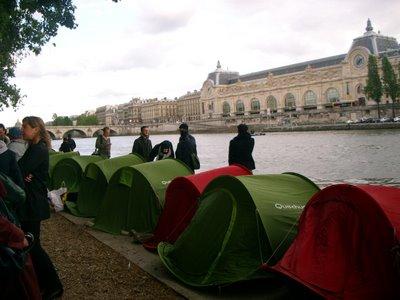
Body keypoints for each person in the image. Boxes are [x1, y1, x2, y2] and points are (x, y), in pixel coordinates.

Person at [18, 116, 63, 299]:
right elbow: (20, 170)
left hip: (33, 204)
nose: (22, 130)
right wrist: (24, 175)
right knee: (32, 244)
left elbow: (19, 169)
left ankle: (54, 286)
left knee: (34, 245)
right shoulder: (34, 148)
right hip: (30, 202)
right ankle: (44, 283)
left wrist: (25, 175)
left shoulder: (39, 150)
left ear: (35, 129)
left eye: (25, 127)